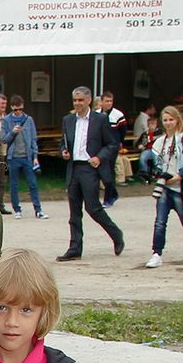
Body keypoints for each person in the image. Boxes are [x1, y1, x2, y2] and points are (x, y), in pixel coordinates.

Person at [57, 86, 124, 262]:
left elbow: (112, 144)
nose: (77, 103)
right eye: (75, 100)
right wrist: (64, 151)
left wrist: (99, 157)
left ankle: (116, 234)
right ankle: (75, 247)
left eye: (80, 100)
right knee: (74, 212)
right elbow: (63, 142)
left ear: (88, 100)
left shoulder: (100, 119)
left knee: (93, 208)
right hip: (74, 167)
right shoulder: (68, 120)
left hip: (89, 167)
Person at [143, 105, 183, 268]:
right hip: (164, 187)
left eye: (171, 119)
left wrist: (180, 175)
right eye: (165, 120)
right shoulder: (159, 141)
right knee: (160, 221)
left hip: (182, 187)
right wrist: (154, 173)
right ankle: (156, 253)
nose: (168, 123)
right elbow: (156, 162)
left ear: (177, 119)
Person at [1, 95, 44, 219]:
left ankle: (38, 209)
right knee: (14, 185)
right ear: (12, 108)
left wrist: (35, 156)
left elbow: (33, 139)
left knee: (33, 184)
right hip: (13, 157)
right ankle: (17, 209)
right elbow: (4, 139)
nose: (18, 112)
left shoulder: (28, 120)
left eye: (20, 109)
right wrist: (13, 131)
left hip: (27, 157)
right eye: (15, 110)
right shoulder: (6, 120)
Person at [98, 92, 127, 207]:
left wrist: (119, 142)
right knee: (101, 171)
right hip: (100, 147)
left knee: (109, 171)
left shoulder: (118, 115)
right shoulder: (97, 114)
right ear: (101, 102)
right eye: (106, 101)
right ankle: (113, 193)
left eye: (111, 101)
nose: (109, 103)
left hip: (113, 146)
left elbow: (123, 130)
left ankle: (108, 198)